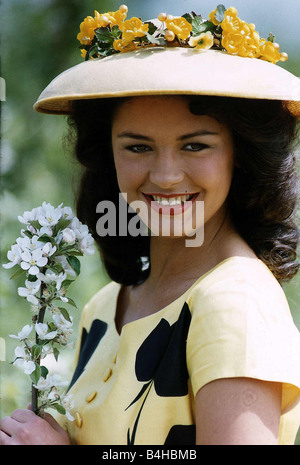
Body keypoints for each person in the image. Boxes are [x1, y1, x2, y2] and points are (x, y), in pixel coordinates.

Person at [1, 5, 300, 445]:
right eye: (138, 147)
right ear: (107, 157)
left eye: (195, 146)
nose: (164, 175)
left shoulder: (234, 301)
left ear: (243, 155)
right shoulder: (103, 308)